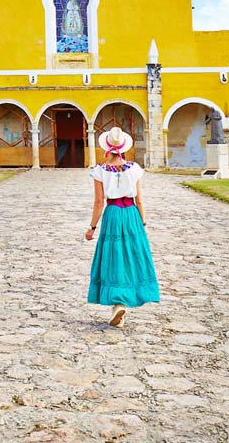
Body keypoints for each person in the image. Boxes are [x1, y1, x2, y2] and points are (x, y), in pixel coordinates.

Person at [85, 126, 160, 327]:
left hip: (112, 214)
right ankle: (124, 301)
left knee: (113, 256)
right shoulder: (134, 168)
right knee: (132, 256)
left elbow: (99, 202)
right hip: (131, 214)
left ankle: (118, 304)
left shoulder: (100, 171)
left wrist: (92, 227)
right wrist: (142, 221)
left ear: (107, 147)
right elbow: (140, 199)